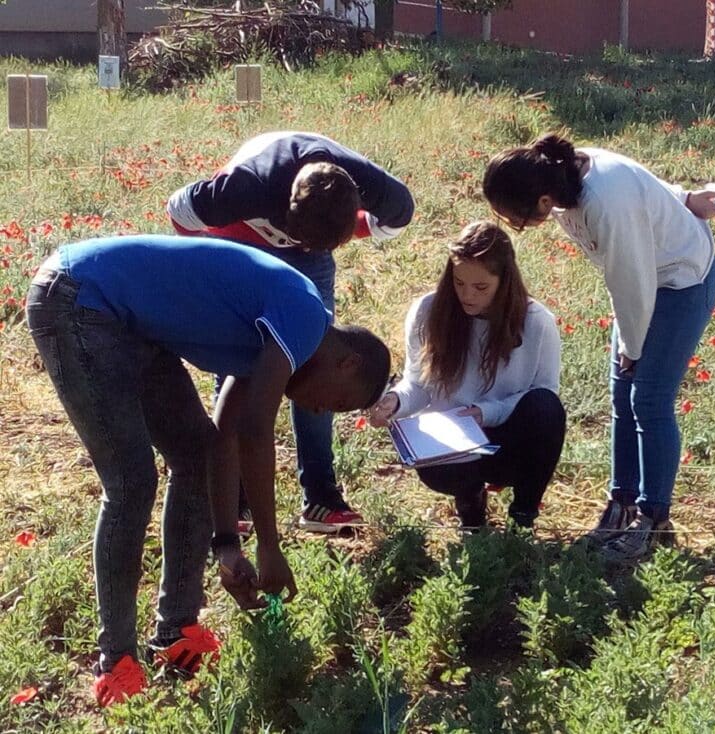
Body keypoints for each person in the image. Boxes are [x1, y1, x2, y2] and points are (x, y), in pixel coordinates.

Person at [25, 234, 390, 706]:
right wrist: (270, 547)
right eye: (338, 401)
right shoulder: (302, 314)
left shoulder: (275, 334)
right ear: (347, 362)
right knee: (132, 479)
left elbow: (224, 439)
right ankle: (116, 661)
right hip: (80, 296)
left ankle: (176, 632)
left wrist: (227, 546)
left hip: (127, 321)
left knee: (194, 456)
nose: (321, 411)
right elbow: (257, 432)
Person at [483, 134, 715, 563]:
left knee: (648, 398)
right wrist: (684, 196)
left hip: (681, 281)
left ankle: (653, 521)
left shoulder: (603, 201)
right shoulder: (560, 177)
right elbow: (643, 187)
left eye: (515, 216)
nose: (519, 226)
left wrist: (632, 345)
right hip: (644, 285)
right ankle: (622, 504)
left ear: (540, 202)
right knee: (621, 394)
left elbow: (633, 282)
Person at [167, 131, 414, 534]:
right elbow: (178, 210)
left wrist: (340, 234)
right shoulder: (244, 188)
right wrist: (220, 263)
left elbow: (397, 220)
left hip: (310, 262)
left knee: (320, 366)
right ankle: (235, 500)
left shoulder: (368, 185)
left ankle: (320, 497)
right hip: (242, 248)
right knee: (240, 369)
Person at [369, 221, 565, 529]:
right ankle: (470, 502)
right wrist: (394, 402)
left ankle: (524, 513)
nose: (467, 295)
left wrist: (485, 413)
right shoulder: (428, 310)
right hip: (451, 440)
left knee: (546, 409)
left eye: (481, 287)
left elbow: (544, 397)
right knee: (444, 472)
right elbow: (417, 384)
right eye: (459, 283)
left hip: (506, 436)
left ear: (505, 282)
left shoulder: (537, 322)